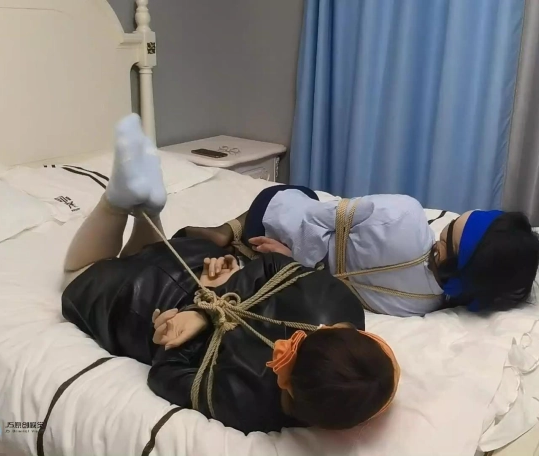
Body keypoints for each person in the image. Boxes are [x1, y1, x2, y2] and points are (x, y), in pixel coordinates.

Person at [61, 114, 399, 433]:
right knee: (87, 275)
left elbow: (270, 265)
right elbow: (165, 375)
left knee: (89, 271)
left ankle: (124, 203)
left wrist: (216, 292)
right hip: (146, 300)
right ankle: (130, 204)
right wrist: (201, 313)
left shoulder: (338, 305)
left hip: (190, 267)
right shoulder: (248, 405)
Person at [182, 187, 539, 316]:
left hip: (273, 230)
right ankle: (232, 235)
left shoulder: (406, 214)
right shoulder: (424, 304)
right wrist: (291, 263)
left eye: (446, 235)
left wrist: (292, 253)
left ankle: (227, 230)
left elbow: (321, 214)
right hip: (293, 265)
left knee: (303, 194)